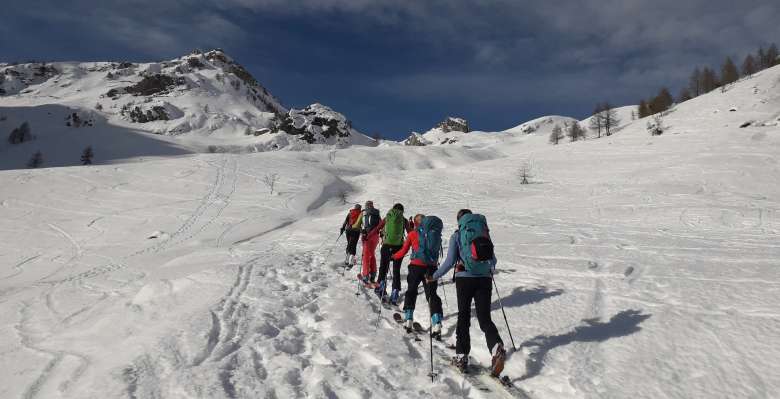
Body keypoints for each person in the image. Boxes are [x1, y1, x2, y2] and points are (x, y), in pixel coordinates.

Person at [428, 209, 506, 376]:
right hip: (484, 279)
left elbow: (449, 262)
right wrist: (487, 269)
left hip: (465, 279)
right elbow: (493, 260)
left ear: (459, 221)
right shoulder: (484, 233)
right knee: (485, 317)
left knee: (463, 316)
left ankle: (462, 356)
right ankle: (496, 347)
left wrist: (434, 276)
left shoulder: (458, 235)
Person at [392, 214, 443, 335]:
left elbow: (403, 251)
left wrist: (393, 256)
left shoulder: (412, 234)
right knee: (431, 294)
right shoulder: (434, 234)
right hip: (431, 267)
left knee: (411, 291)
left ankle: (409, 318)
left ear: (415, 223)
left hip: (415, 267)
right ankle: (436, 322)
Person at [374, 203, 410, 304]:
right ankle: (395, 292)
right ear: (402, 211)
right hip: (399, 247)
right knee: (396, 270)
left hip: (386, 246)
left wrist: (370, 234)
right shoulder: (404, 220)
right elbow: (410, 232)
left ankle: (380, 287)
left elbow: (378, 228)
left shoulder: (388, 217)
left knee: (383, 267)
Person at [353, 201, 381, 284]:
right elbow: (381, 224)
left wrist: (353, 226)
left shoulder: (363, 213)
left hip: (367, 236)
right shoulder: (376, 213)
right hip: (375, 236)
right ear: (372, 205)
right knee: (372, 254)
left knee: (365, 256)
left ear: (366, 206)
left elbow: (357, 225)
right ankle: (373, 274)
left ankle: (365, 275)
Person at [340, 204, 362, 268]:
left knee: (349, 244)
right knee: (353, 245)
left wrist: (342, 228)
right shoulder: (361, 213)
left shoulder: (350, 212)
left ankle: (347, 261)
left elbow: (345, 221)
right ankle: (351, 262)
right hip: (356, 231)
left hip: (348, 230)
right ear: (360, 208)